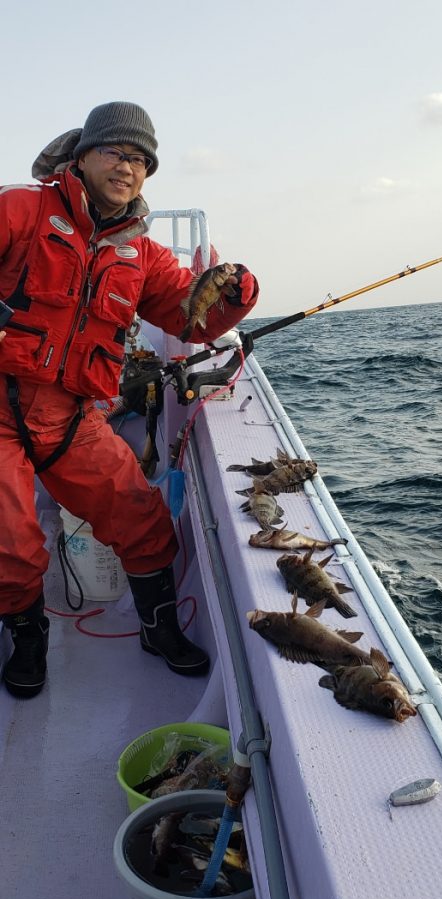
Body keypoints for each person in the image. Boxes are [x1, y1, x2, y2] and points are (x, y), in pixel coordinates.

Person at [0, 101, 259, 698]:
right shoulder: (22, 209)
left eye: (141, 159)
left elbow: (185, 317)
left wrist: (234, 296)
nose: (128, 166)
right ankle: (28, 633)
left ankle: (158, 627)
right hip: (3, 408)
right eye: (115, 151)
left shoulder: (141, 253)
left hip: (73, 416)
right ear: (83, 155)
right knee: (10, 543)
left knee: (143, 520)